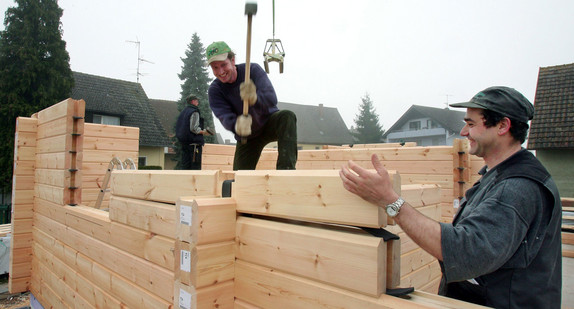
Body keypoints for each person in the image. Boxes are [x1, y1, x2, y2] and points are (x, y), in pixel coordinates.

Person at [339, 86, 562, 308]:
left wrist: (389, 200)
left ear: (503, 126)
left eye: (471, 124)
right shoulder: (498, 176)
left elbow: (464, 250)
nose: (464, 132)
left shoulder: (516, 188)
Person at [205, 41, 297, 170]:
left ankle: (285, 171)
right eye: (215, 67)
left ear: (232, 60)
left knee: (287, 116)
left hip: (268, 122)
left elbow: (271, 99)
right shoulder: (215, 90)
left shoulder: (252, 70)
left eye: (223, 65)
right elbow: (224, 115)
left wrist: (255, 98)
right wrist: (236, 125)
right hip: (247, 136)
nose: (220, 71)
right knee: (239, 178)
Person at [175, 94, 211, 170]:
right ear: (192, 101)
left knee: (185, 166)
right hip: (194, 145)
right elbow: (194, 129)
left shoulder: (184, 112)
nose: (198, 102)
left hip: (185, 143)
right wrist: (204, 132)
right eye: (196, 100)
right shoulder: (194, 112)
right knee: (195, 167)